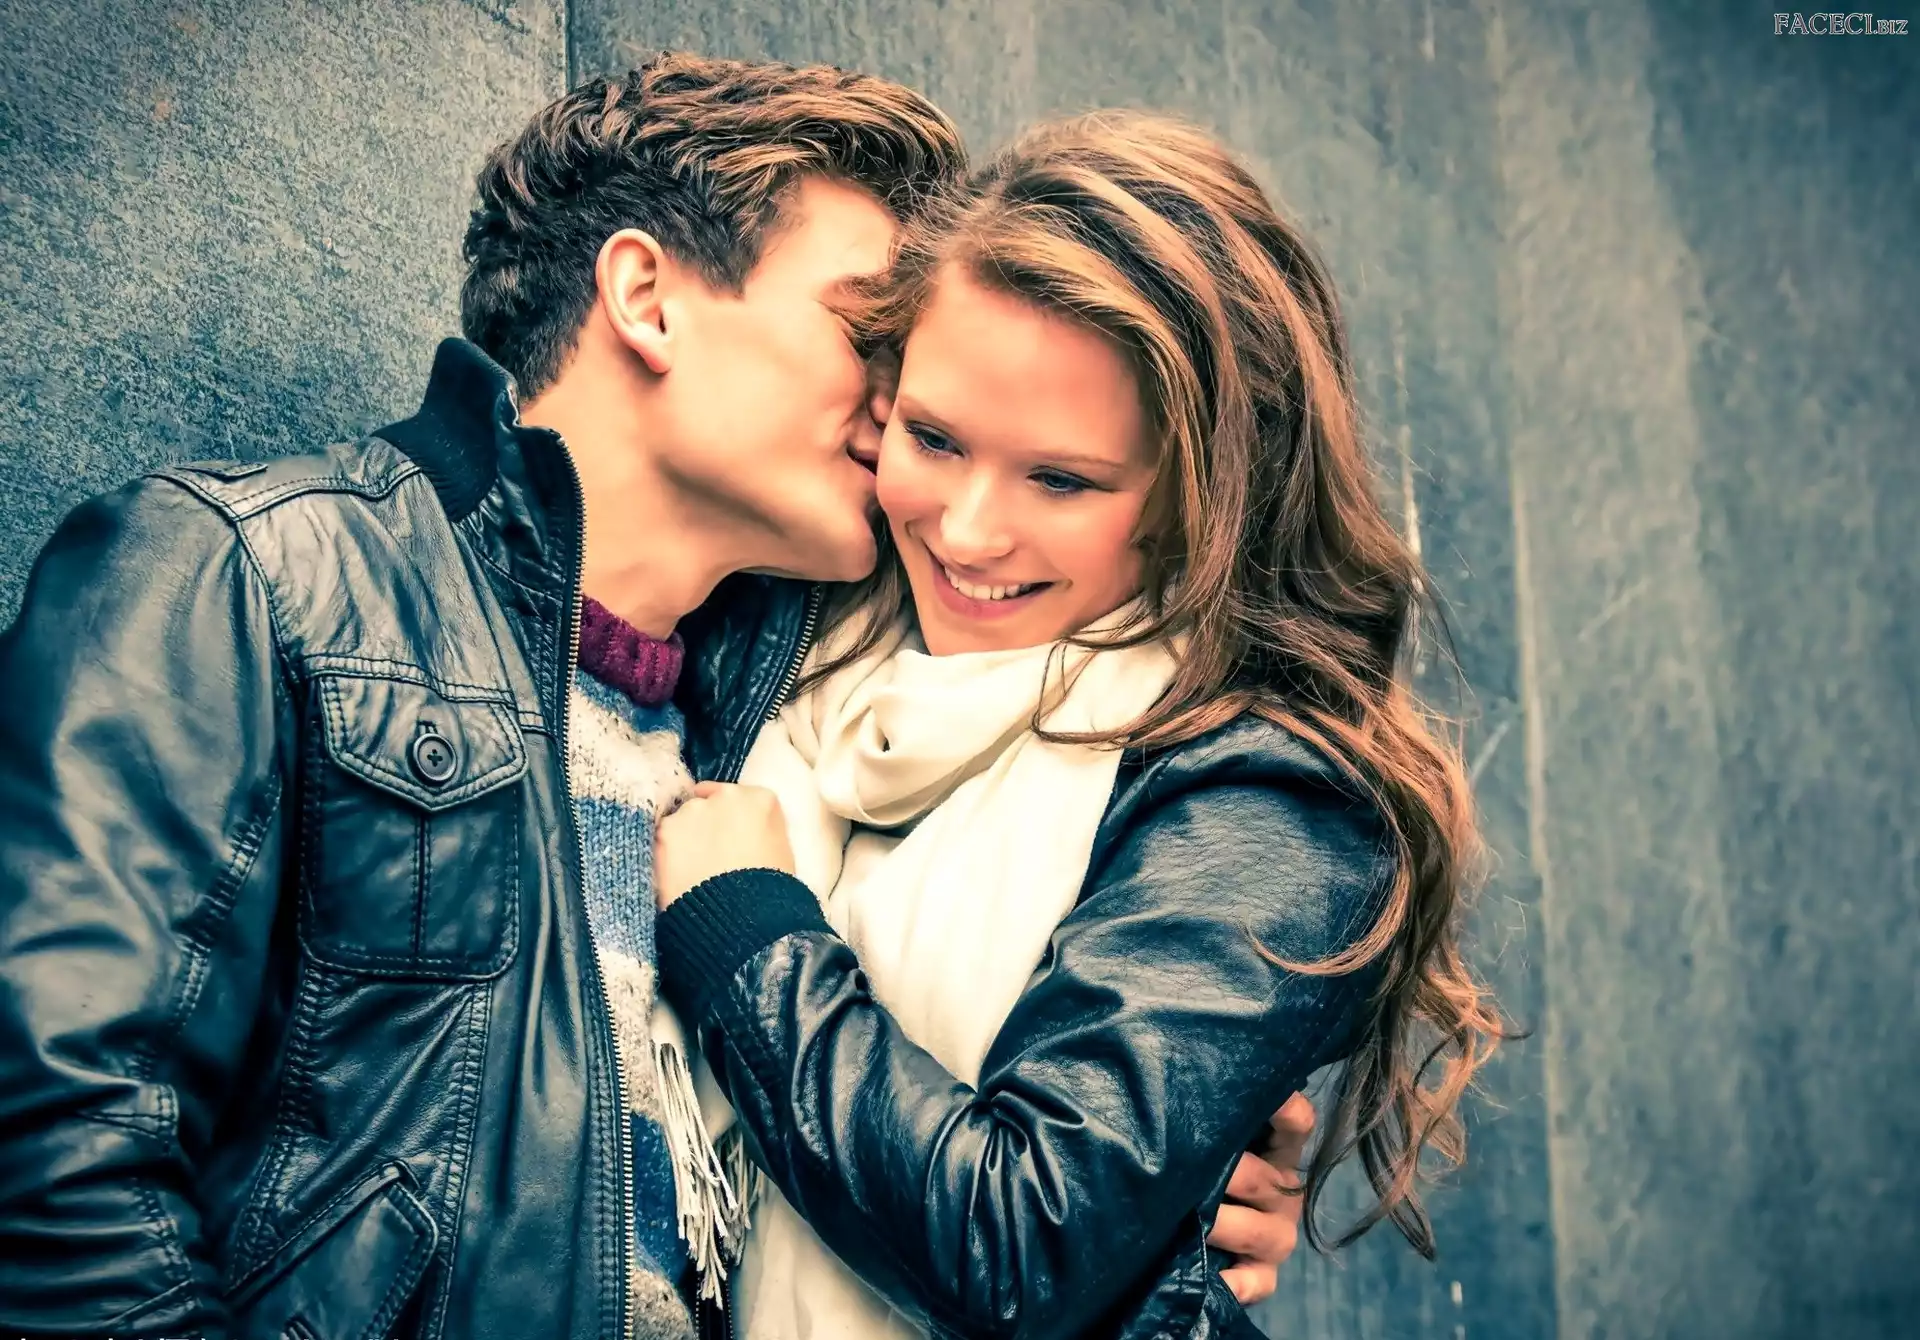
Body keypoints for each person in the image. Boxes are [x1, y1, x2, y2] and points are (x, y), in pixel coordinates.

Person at [0, 58, 1307, 1339]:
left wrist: (1168, 1199)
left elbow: (1016, 1174)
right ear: (647, 297)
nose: (904, 399)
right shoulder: (253, 573)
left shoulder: (789, 725)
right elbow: (57, 1156)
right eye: (869, 336)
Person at [651, 112, 1506, 1339]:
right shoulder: (792, 639)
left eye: (1060, 478)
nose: (967, 530)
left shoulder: (1269, 800)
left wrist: (745, 934)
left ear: (1201, 496)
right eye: (934, 438)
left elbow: (1024, 1240)